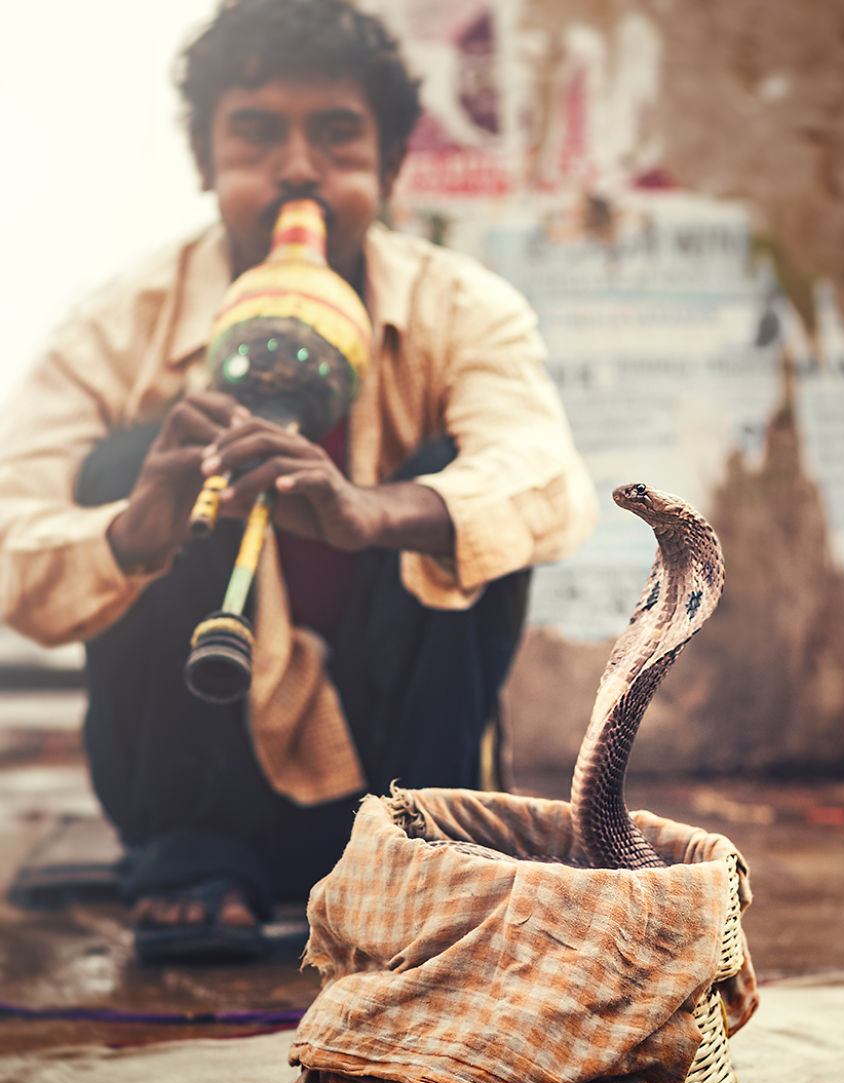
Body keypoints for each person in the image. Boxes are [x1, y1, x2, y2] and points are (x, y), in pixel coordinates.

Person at [0, 0, 596, 961]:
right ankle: (193, 854)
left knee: (464, 495)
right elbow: (11, 546)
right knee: (125, 466)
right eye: (254, 135)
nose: (297, 170)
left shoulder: (463, 307)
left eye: (337, 136)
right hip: (200, 787)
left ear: (390, 166)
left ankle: (418, 856)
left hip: (391, 760)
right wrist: (137, 529)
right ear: (205, 163)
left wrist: (377, 513)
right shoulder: (115, 326)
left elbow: (547, 484)